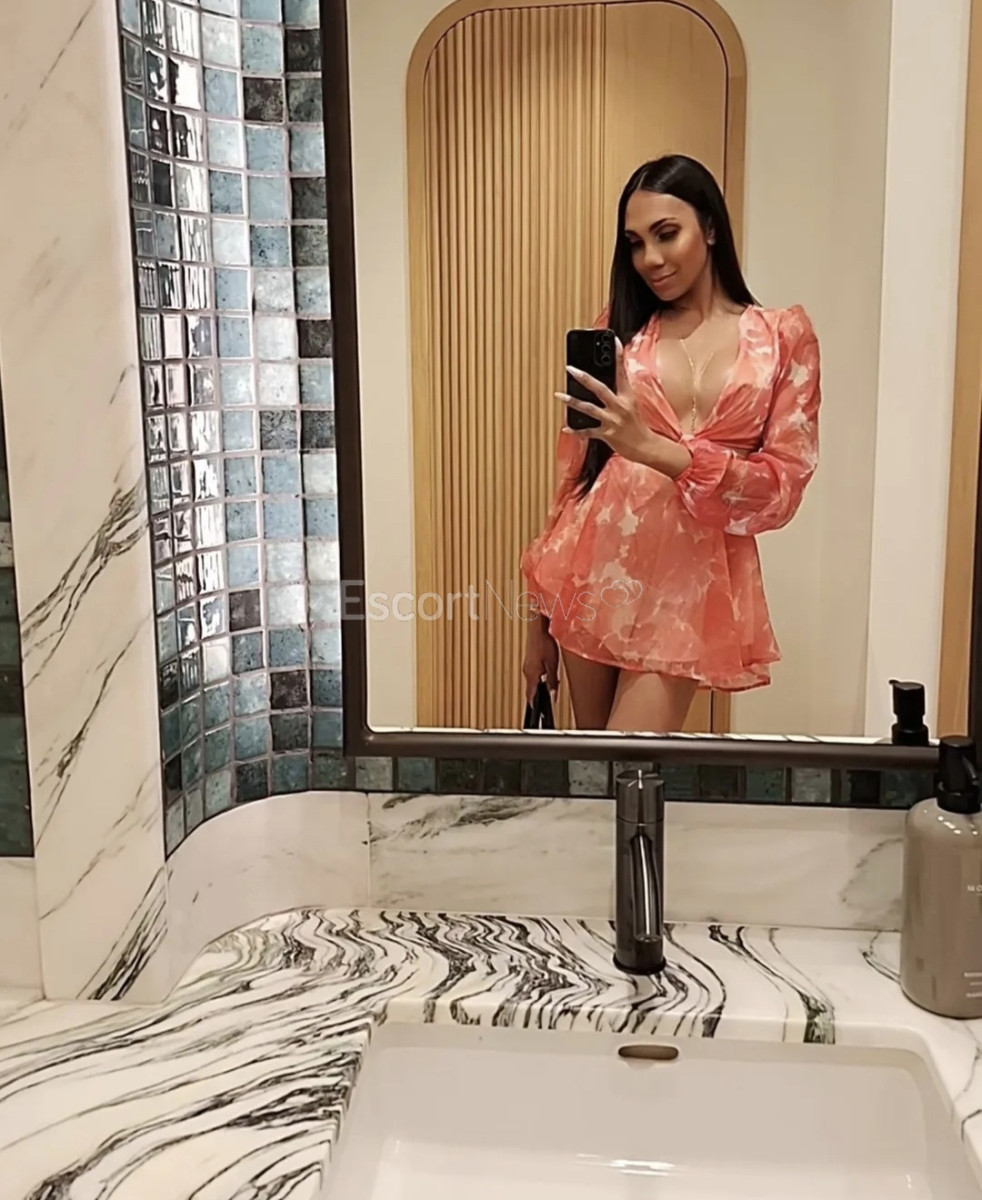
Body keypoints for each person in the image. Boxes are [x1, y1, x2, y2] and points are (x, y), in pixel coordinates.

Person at [520, 154, 821, 733]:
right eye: (635, 243)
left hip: (686, 586)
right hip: (595, 564)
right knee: (594, 770)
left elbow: (782, 488)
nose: (650, 259)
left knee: (629, 763)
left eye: (666, 234)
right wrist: (537, 624)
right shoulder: (621, 328)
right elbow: (574, 478)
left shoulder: (783, 338)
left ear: (710, 228)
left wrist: (658, 451)